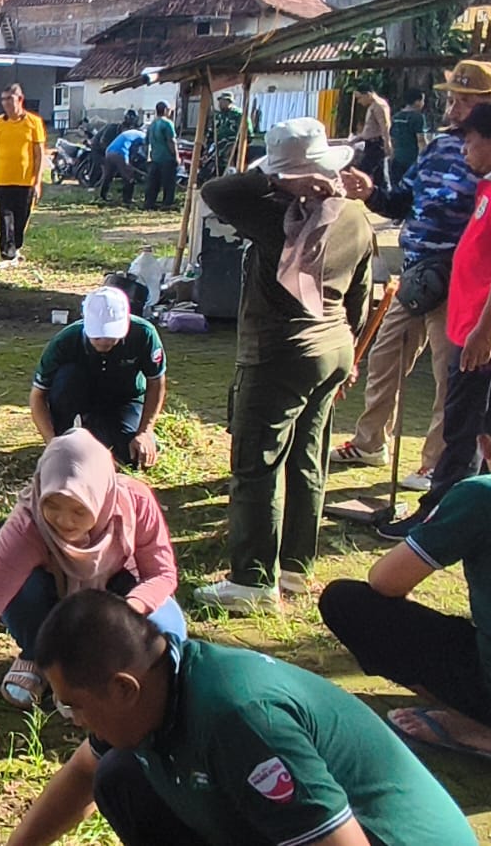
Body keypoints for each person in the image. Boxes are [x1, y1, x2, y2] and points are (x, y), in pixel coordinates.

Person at [0, 590, 477, 846]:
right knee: (119, 774)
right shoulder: (160, 687)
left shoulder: (240, 720)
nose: (73, 719)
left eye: (73, 704)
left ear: (124, 687)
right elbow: (83, 772)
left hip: (384, 838)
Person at [193, 118, 373, 613]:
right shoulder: (355, 213)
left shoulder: (278, 217)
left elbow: (215, 189)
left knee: (257, 463)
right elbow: (361, 291)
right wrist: (352, 352)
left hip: (280, 351)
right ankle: (296, 566)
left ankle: (252, 580)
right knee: (307, 457)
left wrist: (274, 179)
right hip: (333, 345)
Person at [321, 392, 491, 764]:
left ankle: (487, 726)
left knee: (346, 601)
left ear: (484, 446)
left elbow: (385, 581)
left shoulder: (489, 492)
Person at [376, 99, 491, 540]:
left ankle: (440, 519)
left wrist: (485, 330)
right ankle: (481, 507)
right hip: (481, 323)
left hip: (489, 331)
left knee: (466, 429)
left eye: (472, 141)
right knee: (485, 424)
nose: (466, 150)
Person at [331, 61, 491, 493]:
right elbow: (402, 201)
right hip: (415, 275)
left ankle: (435, 461)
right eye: (452, 97)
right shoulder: (438, 146)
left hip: (459, 281)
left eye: (464, 100)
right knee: (383, 356)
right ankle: (371, 441)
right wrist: (370, 192)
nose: (453, 105)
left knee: (447, 375)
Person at [0, 430, 184, 731]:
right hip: (50, 607)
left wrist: (125, 613)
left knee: (167, 633)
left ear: (102, 496)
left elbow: (162, 573)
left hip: (114, 594)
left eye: (79, 509)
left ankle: (101, 670)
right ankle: (40, 657)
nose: (64, 521)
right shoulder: (27, 525)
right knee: (26, 591)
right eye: (53, 504)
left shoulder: (134, 503)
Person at [30, 287, 166, 468]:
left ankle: (98, 430)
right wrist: (51, 444)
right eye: (97, 337)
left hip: (125, 398)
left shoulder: (144, 334)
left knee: (131, 456)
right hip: (80, 395)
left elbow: (156, 382)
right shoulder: (65, 341)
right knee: (67, 378)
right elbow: (38, 395)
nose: (104, 342)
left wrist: (145, 431)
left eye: (111, 336)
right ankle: (67, 434)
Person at [0, 84, 46, 262]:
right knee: (5, 217)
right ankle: (7, 249)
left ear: (20, 100)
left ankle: (17, 246)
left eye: (9, 99)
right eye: (3, 99)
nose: (5, 103)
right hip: (2, 179)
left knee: (21, 217)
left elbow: (39, 154)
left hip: (25, 180)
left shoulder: (33, 122)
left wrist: (37, 182)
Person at [354, 84, 393, 188]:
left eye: (360, 98)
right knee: (378, 175)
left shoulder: (379, 105)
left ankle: (385, 196)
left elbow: (385, 126)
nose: (359, 101)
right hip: (370, 144)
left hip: (376, 144)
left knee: (364, 172)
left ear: (368, 94)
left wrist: (387, 143)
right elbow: (369, 130)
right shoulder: (372, 106)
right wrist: (354, 140)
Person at [143, 102, 178, 211]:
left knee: (153, 183)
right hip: (167, 158)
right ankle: (167, 204)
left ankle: (149, 203)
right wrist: (176, 156)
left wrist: (148, 157)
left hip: (155, 158)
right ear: (166, 110)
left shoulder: (152, 125)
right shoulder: (167, 124)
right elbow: (171, 141)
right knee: (169, 183)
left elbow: (146, 143)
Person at [98, 126, 144, 207]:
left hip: (109, 152)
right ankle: (127, 199)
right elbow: (142, 151)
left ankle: (102, 196)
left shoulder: (132, 133)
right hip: (120, 153)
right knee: (129, 176)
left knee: (108, 176)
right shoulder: (143, 136)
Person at [389, 88, 429, 179]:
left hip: (397, 158)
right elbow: (421, 140)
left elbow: (392, 138)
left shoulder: (396, 117)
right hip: (412, 159)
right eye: (423, 100)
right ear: (417, 102)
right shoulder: (417, 117)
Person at [208, 93, 243, 171]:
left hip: (232, 142)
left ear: (229, 102)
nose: (220, 104)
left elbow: (247, 132)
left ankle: (230, 172)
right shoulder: (219, 115)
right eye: (219, 101)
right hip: (218, 143)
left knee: (228, 154)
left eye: (222, 101)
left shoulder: (238, 114)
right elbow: (214, 129)